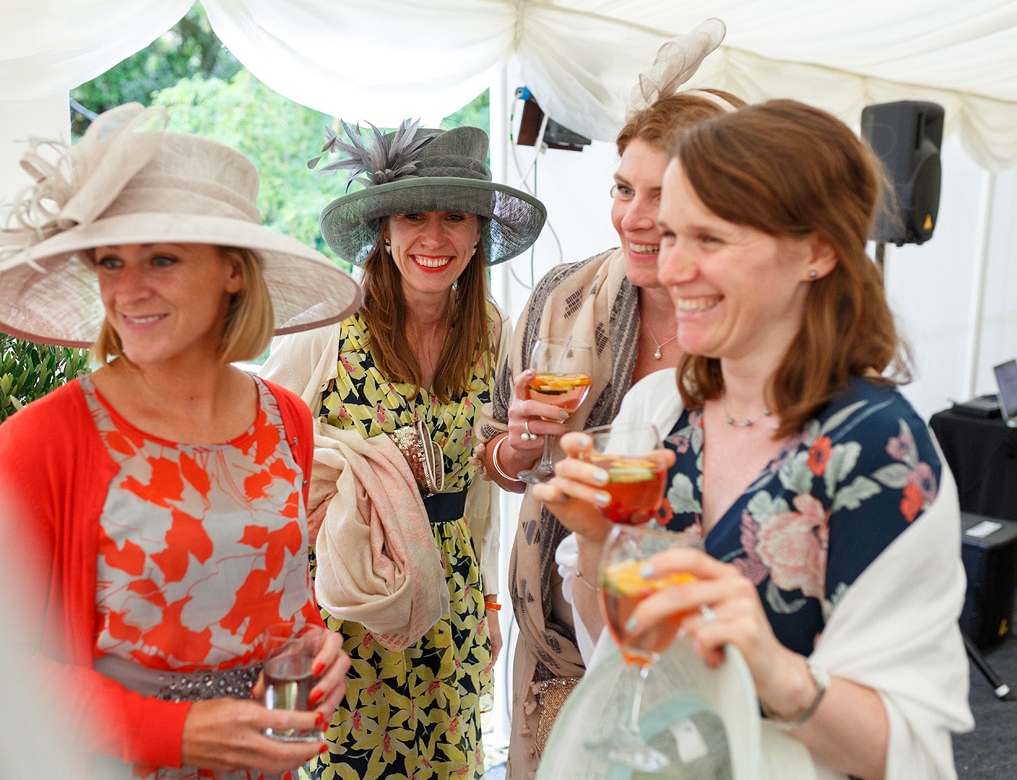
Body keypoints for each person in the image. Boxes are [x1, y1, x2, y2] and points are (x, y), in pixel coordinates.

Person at [538, 99, 973, 779]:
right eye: (674, 236)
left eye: (711, 240)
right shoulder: (658, 412)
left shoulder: (880, 452)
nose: (675, 268)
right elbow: (618, 657)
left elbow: (900, 751)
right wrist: (598, 541)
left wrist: (774, 667)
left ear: (819, 251)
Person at [0, 103, 362, 780]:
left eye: (163, 259)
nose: (129, 290)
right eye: (111, 262)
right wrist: (171, 731)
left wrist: (319, 646)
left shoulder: (285, 418)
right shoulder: (44, 442)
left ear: (234, 270)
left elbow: (272, 596)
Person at [473, 19, 744, 777]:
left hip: (691, 649)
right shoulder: (560, 298)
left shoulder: (746, 326)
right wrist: (521, 447)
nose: (633, 216)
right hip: (554, 638)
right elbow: (494, 453)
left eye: (663, 195)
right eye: (623, 188)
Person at [260, 119, 546, 779]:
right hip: (333, 611)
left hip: (446, 604)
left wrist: (493, 604)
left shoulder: (497, 334)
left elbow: (480, 496)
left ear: (480, 232)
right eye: (414, 215)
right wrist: (278, 622)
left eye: (455, 217)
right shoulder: (327, 328)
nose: (434, 238)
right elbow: (260, 465)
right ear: (385, 230)